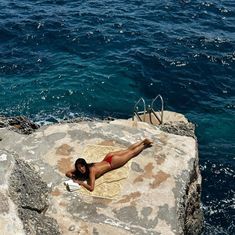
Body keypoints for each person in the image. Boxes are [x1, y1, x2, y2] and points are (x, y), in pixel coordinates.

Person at [65, 138, 153, 192]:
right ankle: (143, 141)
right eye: (79, 168)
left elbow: (91, 188)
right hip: (108, 157)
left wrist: (81, 183)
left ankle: (144, 145)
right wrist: (73, 177)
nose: (81, 169)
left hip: (112, 163)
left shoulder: (91, 171)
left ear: (84, 165)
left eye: (82, 166)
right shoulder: (87, 166)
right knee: (128, 150)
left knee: (132, 153)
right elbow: (68, 173)